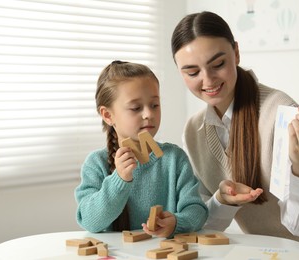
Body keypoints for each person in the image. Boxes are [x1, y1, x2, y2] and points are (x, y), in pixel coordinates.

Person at [171, 11, 299, 259]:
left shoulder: (280, 113)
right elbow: (204, 224)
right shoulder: (193, 132)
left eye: (218, 64)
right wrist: (222, 200)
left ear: (237, 53)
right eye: (192, 72)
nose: (207, 80)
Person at [75, 60, 208, 238]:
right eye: (136, 108)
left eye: (155, 105)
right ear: (108, 115)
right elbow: (90, 221)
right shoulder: (96, 163)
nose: (149, 114)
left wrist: (177, 222)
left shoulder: (174, 158)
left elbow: (197, 210)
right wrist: (119, 179)